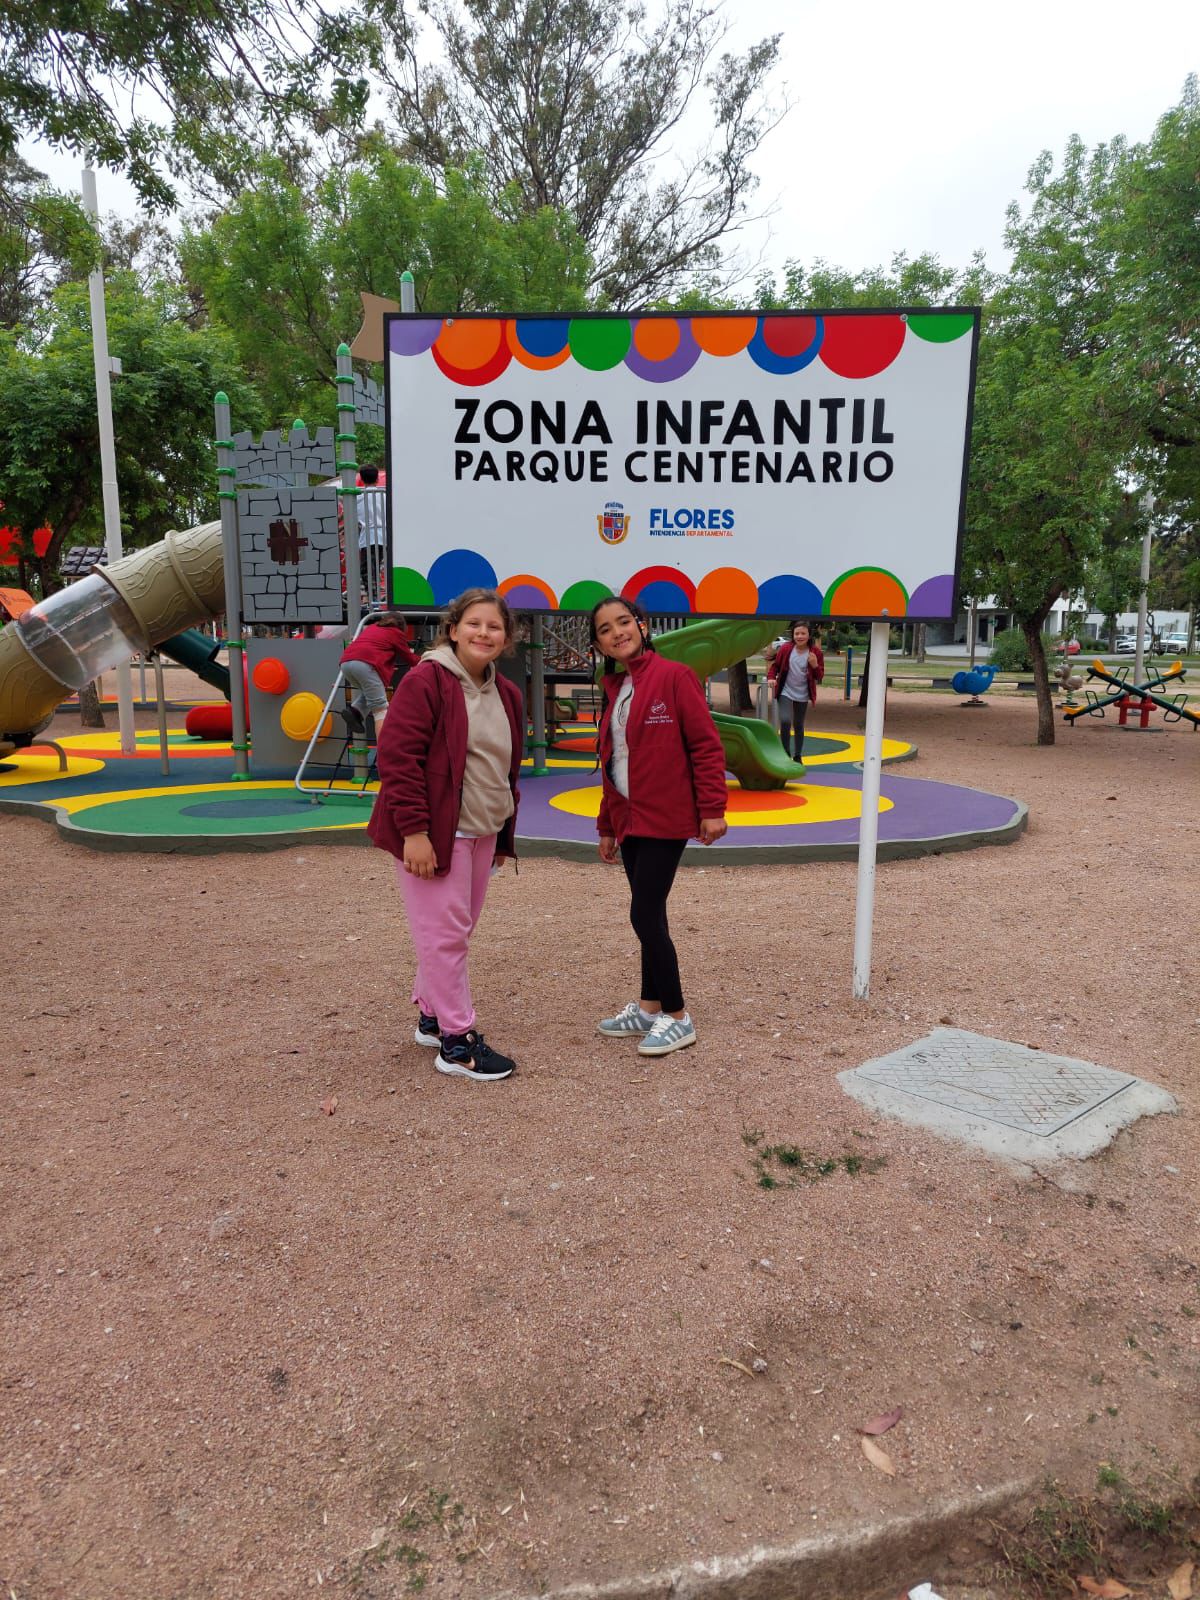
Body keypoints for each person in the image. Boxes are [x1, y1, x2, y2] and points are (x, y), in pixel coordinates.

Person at [367, 589, 523, 1081]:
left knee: (453, 933)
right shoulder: (427, 681)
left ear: (506, 637)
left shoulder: (507, 693)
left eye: (494, 626)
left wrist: (501, 837)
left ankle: (432, 1016)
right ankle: (457, 1042)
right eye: (473, 624)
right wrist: (413, 832)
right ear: (453, 630)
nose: (484, 633)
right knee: (445, 937)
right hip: (437, 832)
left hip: (482, 830)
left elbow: (503, 770)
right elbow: (398, 758)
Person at [590, 596, 728, 1057]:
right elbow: (614, 763)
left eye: (624, 622)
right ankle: (649, 1008)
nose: (617, 632)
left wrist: (712, 808)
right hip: (629, 819)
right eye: (606, 629)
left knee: (644, 914)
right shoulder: (616, 690)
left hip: (665, 817)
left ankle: (677, 1017)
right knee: (652, 915)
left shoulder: (674, 677)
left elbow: (705, 747)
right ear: (600, 644)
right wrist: (607, 824)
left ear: (643, 626)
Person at [338, 612, 418, 734]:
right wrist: (428, 658)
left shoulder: (372, 627)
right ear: (402, 626)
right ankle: (384, 750)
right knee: (380, 708)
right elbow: (410, 659)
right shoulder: (396, 633)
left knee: (371, 692)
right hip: (365, 665)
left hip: (345, 664)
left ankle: (355, 711)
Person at [767, 620, 825, 760]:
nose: (799, 636)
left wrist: (815, 665)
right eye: (796, 633)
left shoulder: (815, 653)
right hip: (785, 690)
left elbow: (820, 676)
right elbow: (775, 666)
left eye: (803, 633)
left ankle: (797, 755)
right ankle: (785, 752)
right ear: (792, 635)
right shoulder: (786, 649)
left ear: (809, 635)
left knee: (798, 724)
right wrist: (771, 677)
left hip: (803, 693)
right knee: (786, 720)